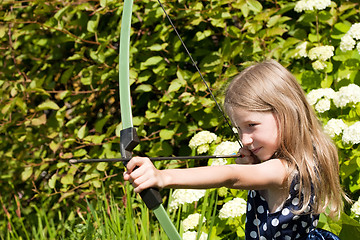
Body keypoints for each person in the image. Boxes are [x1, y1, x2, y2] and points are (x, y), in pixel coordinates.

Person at [123, 59, 347, 239]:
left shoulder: (285, 169)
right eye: (239, 129)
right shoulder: (305, 156)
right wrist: (255, 167)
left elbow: (230, 176)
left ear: (284, 112)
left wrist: (163, 177)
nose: (245, 139)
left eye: (252, 126)